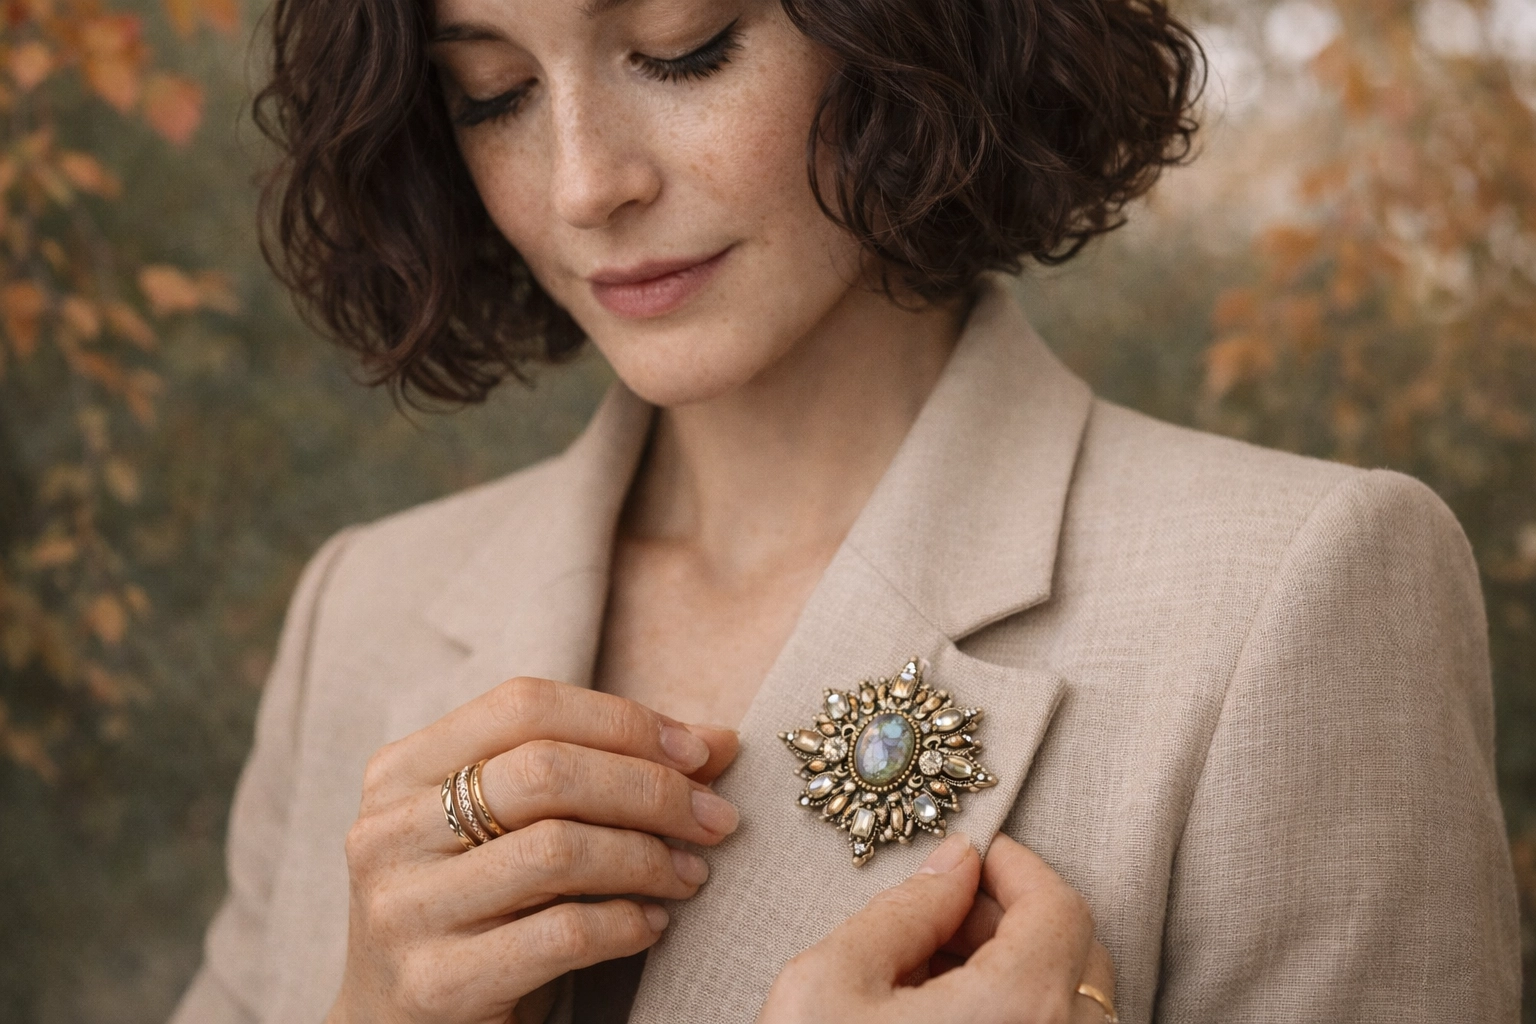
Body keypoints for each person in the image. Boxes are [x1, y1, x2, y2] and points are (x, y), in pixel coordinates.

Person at [170, 0, 1522, 1020]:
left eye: (684, 46)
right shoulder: (360, 608)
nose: (586, 183)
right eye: (492, 92)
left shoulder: (1306, 588)